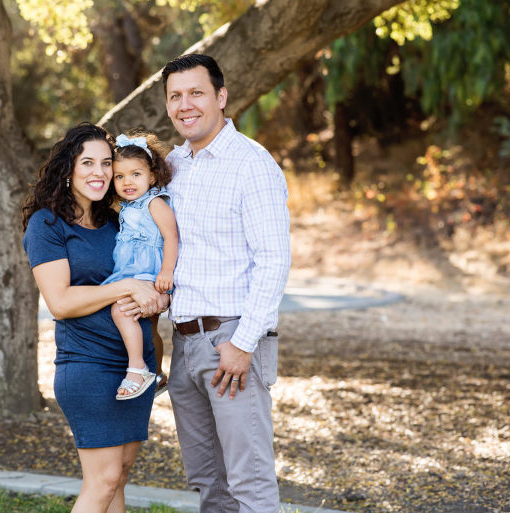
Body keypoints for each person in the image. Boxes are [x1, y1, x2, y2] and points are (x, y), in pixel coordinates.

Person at [162, 54, 291, 512]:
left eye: (196, 92)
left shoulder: (251, 163)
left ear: (220, 97)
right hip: (184, 343)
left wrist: (243, 342)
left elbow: (273, 260)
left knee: (248, 482)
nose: (185, 105)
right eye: (175, 96)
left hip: (230, 341)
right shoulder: (171, 167)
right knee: (208, 482)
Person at [21, 122, 167, 513]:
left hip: (136, 366)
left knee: (119, 476)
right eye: (87, 162)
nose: (99, 173)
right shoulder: (46, 225)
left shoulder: (120, 220)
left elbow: (149, 277)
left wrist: (154, 299)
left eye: (107, 163)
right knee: (102, 481)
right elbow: (61, 302)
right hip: (88, 365)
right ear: (68, 168)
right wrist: (127, 288)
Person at [100, 132, 178, 400]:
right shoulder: (126, 206)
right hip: (131, 273)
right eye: (119, 177)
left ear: (152, 176)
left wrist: (167, 271)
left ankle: (139, 368)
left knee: (122, 312)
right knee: (147, 326)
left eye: (135, 174)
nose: (127, 182)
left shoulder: (155, 203)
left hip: (149, 273)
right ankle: (156, 374)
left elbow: (171, 236)